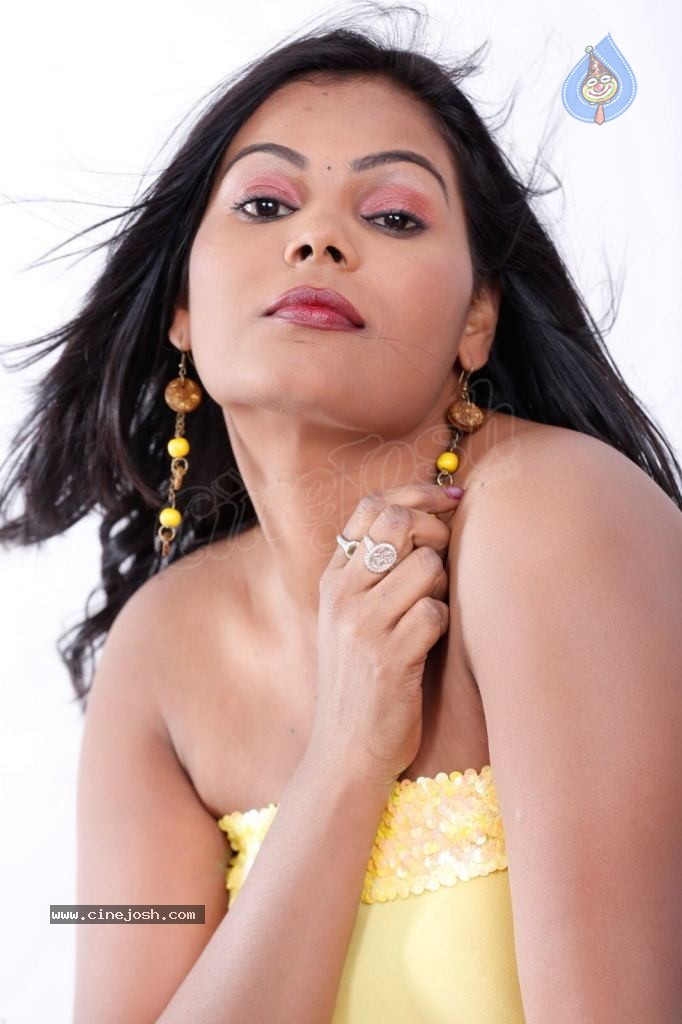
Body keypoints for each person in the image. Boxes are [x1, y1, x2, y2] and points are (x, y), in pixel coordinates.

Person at [1, 9, 680, 1023]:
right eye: (265, 203)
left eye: (394, 216)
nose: (316, 239)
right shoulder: (159, 652)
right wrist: (345, 760)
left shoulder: (547, 519)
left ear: (477, 318)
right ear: (181, 306)